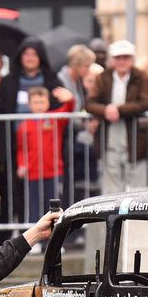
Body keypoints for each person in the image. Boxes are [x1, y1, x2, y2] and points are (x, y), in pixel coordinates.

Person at [0, 38, 60, 241]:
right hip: (17, 145)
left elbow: (61, 108)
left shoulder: (51, 79)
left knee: (45, 194)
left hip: (44, 148)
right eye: (26, 54)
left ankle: (51, 235)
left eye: (34, 54)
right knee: (14, 193)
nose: (30, 58)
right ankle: (14, 235)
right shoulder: (9, 81)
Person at [87, 40, 148, 193]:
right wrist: (105, 110)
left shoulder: (142, 77)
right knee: (111, 192)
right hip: (109, 143)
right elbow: (90, 102)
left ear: (132, 59)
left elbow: (146, 102)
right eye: (118, 58)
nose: (122, 61)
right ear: (112, 60)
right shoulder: (103, 77)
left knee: (138, 191)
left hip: (135, 143)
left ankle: (137, 218)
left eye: (126, 57)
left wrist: (119, 110)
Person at [17, 86, 75, 225]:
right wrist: (21, 165)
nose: (39, 106)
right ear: (29, 104)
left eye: (42, 102)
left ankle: (56, 239)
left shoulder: (54, 119)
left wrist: (70, 99)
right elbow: (21, 149)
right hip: (33, 173)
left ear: (48, 103)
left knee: (55, 208)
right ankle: (34, 241)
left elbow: (68, 109)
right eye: (36, 102)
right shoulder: (24, 126)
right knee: (34, 207)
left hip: (53, 172)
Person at [56, 44, 96, 206]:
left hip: (74, 135)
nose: (88, 70)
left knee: (72, 180)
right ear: (77, 64)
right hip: (65, 135)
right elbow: (67, 110)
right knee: (65, 181)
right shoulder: (61, 79)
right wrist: (84, 125)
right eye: (86, 66)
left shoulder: (78, 82)